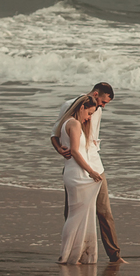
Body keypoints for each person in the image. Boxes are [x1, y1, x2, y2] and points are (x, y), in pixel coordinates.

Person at [52, 83, 125, 263]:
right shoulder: (70, 106)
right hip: (76, 167)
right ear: (95, 94)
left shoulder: (97, 110)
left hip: (95, 166)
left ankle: (114, 255)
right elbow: (55, 134)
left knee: (104, 212)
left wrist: (93, 170)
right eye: (103, 102)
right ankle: (72, 251)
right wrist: (59, 149)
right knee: (72, 212)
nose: (103, 107)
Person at [55, 96, 104, 264]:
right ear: (82, 107)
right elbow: (75, 151)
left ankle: (75, 252)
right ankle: (67, 255)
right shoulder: (74, 124)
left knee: (79, 214)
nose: (89, 117)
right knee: (76, 216)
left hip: (74, 171)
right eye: (89, 113)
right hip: (76, 173)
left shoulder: (66, 122)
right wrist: (91, 171)